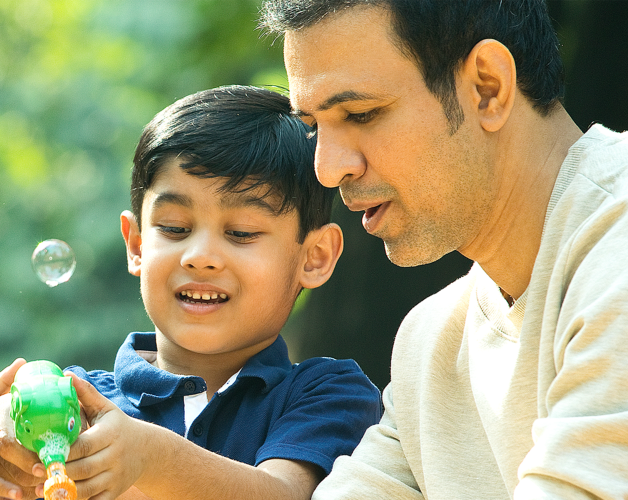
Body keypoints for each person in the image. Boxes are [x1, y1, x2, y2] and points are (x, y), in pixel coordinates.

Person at [259, 0, 628, 498]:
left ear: (487, 88)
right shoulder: (431, 342)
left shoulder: (616, 247)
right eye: (313, 126)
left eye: (361, 113)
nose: (328, 170)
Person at [0, 85, 381, 500]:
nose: (200, 256)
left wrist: (151, 457)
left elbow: (284, 494)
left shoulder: (327, 394)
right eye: (175, 229)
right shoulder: (78, 407)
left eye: (241, 232)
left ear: (315, 256)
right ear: (137, 245)